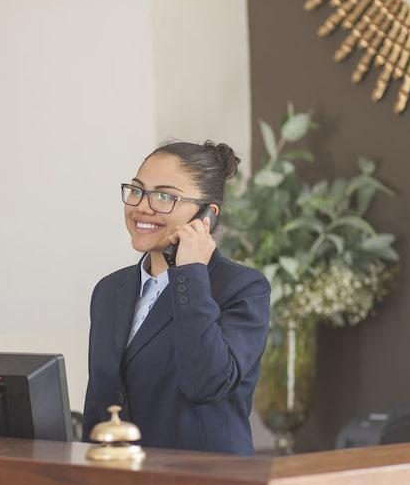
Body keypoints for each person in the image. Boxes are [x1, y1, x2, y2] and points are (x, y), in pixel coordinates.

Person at [82, 141, 271, 455]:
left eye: (165, 197)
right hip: (122, 482)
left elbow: (205, 383)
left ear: (206, 216)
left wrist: (191, 272)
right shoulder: (109, 291)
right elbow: (100, 406)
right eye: (137, 190)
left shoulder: (242, 288)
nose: (142, 206)